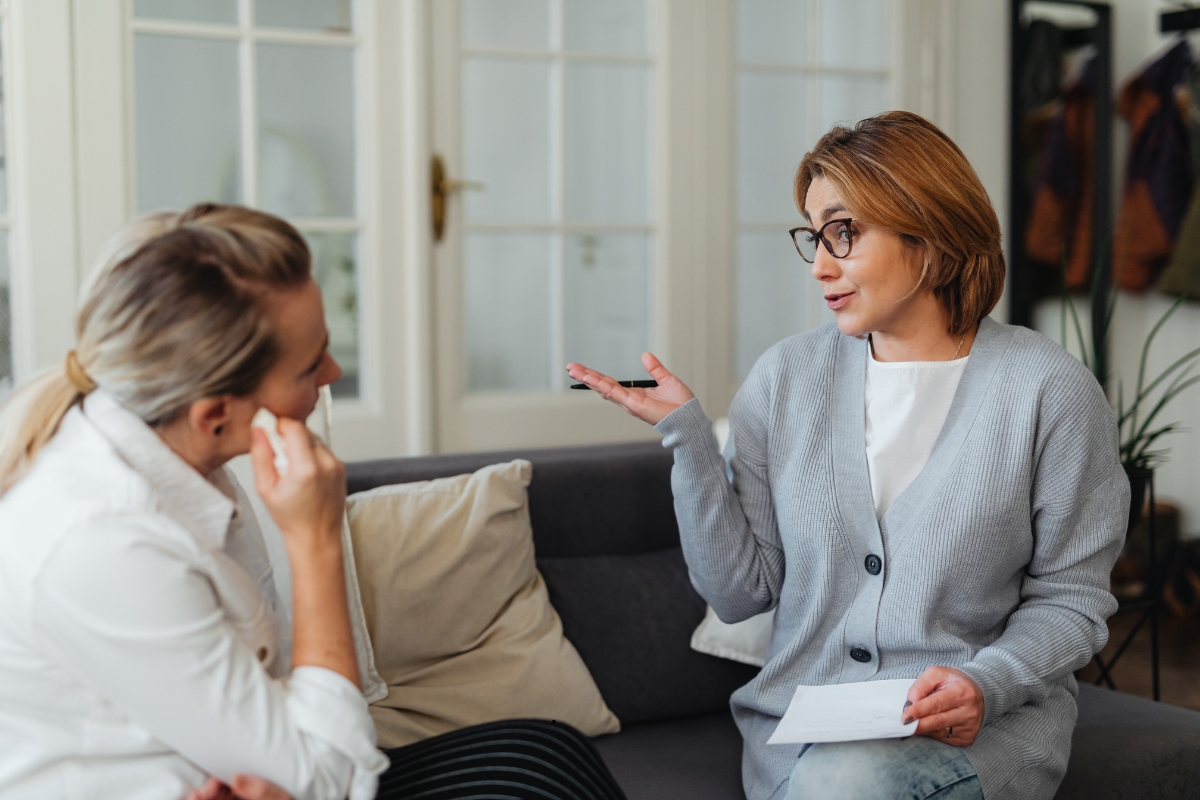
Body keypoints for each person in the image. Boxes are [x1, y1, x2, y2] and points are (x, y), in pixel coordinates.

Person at [567, 111, 1128, 800]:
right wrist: (688, 438)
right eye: (815, 237)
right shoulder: (785, 379)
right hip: (801, 746)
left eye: (844, 232)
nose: (821, 266)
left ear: (928, 229)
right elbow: (738, 594)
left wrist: (988, 682)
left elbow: (1071, 600)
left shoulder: (1049, 390)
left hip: (976, 736)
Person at [0, 204, 626, 800]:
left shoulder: (181, 460)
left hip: (254, 773)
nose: (332, 372)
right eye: (308, 367)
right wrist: (317, 541)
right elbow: (327, 780)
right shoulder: (104, 541)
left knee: (545, 751)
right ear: (215, 415)